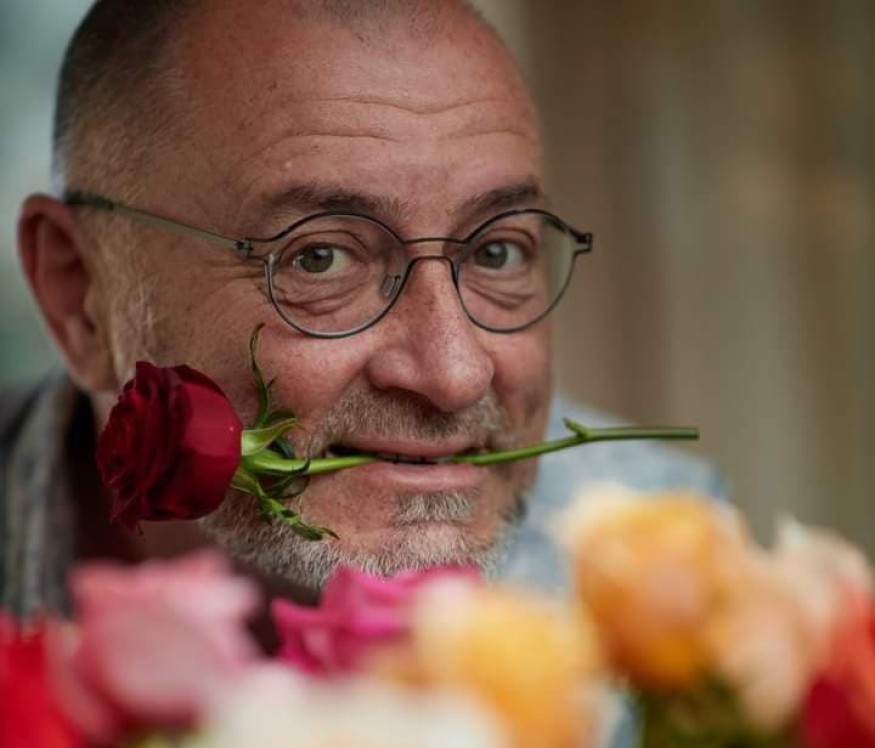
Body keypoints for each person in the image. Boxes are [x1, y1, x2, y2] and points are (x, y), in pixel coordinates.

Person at [2, 0, 722, 620]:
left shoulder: (671, 566)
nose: (454, 374)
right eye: (320, 257)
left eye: (497, 252)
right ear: (81, 294)